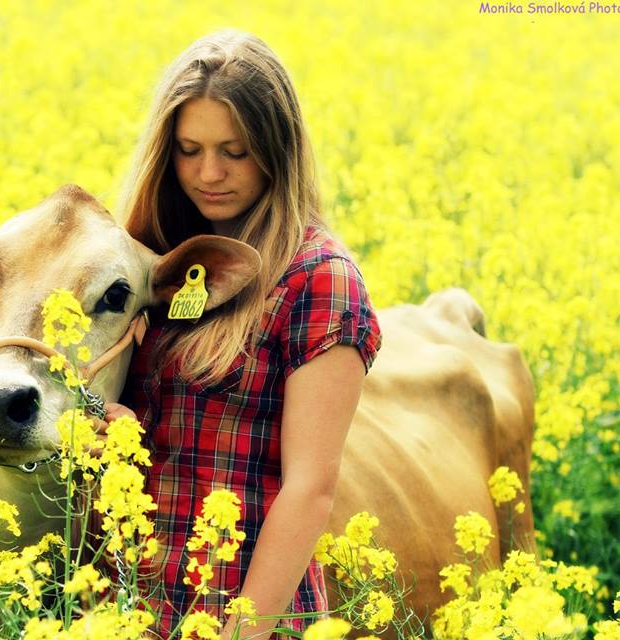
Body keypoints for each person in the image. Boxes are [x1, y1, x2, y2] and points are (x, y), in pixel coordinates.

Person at [107, 30, 382, 638]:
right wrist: (114, 431)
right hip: (126, 607)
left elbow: (311, 487)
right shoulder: (150, 258)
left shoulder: (318, 278)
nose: (209, 173)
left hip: (246, 608)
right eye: (188, 150)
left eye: (235, 152)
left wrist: (241, 630)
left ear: (277, 150)